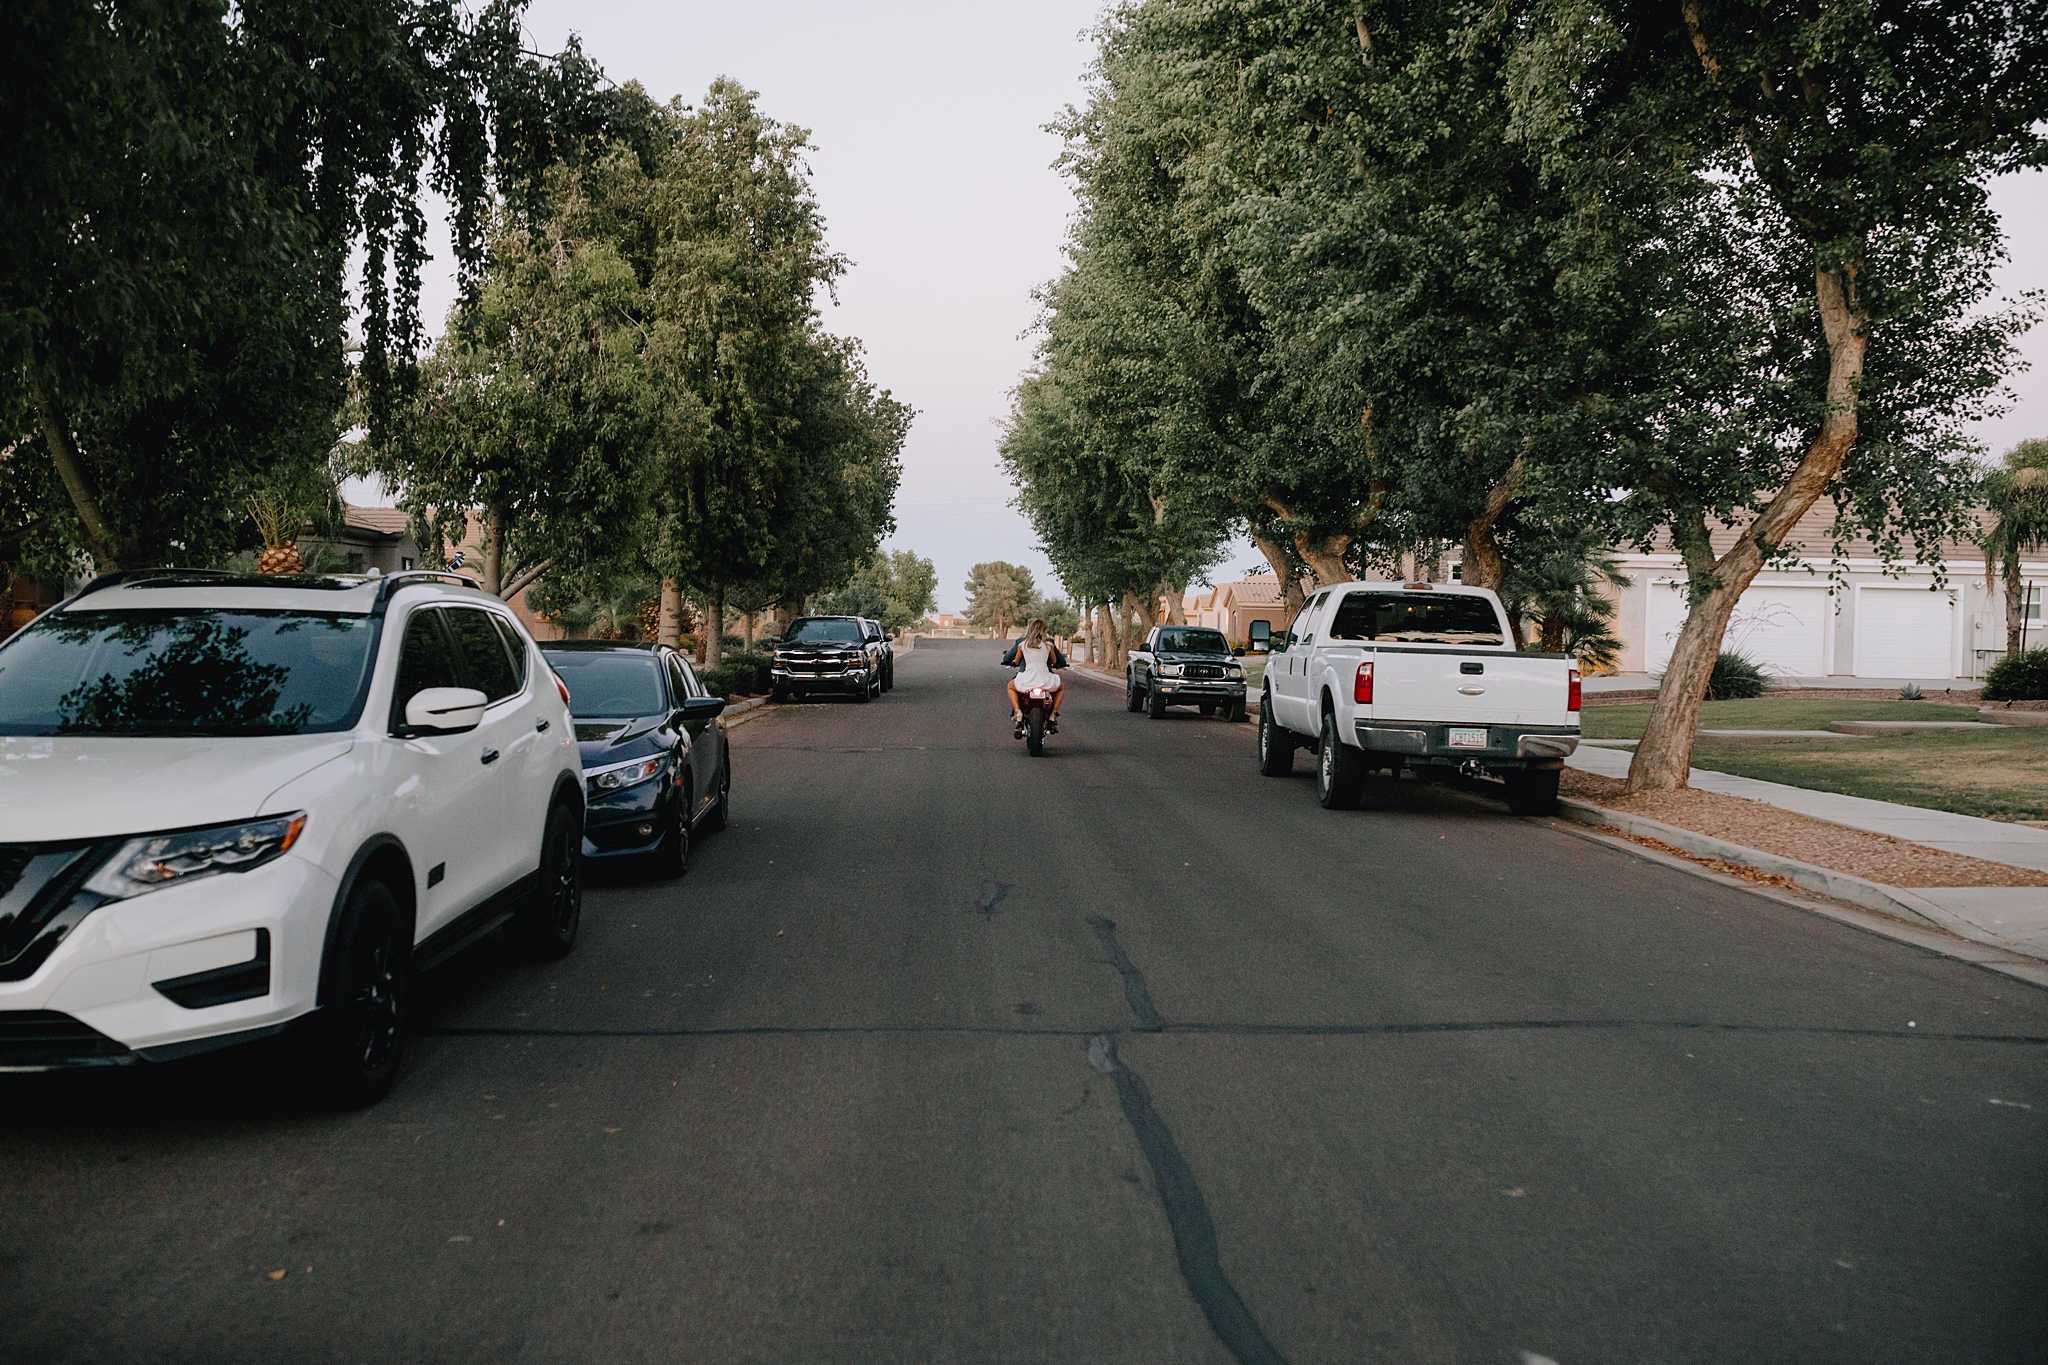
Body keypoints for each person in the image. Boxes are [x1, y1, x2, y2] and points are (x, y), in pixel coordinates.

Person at [1002, 618, 1067, 736]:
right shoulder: (1049, 645)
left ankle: (1017, 712)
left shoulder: (1022, 644)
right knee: (1061, 687)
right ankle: (1053, 714)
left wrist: (1014, 663)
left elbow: (1016, 660)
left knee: (1011, 686)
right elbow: (1054, 661)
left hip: (1027, 677)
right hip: (1045, 678)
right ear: (1043, 631)